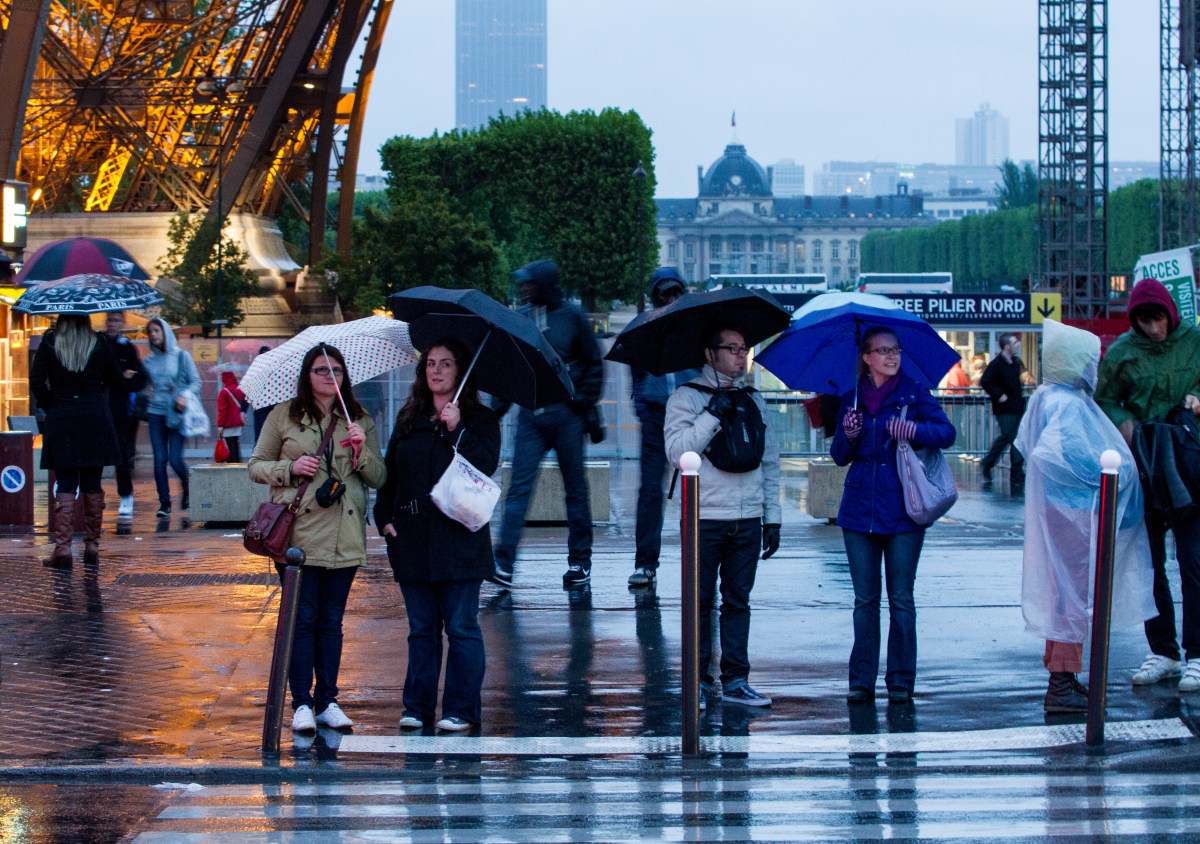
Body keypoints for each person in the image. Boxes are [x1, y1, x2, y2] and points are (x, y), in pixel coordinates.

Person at [1016, 319, 1155, 712]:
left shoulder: (1047, 396)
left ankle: (1064, 677)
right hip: (1074, 511)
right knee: (1072, 595)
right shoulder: (1066, 403)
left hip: (1060, 509)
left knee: (1065, 593)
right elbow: (1067, 457)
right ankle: (1061, 682)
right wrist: (1111, 469)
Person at [248, 344, 385, 732]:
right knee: (301, 620)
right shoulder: (284, 416)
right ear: (307, 375)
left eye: (337, 371)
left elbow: (379, 477)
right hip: (299, 536)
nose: (330, 377)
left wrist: (361, 451)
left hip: (344, 533)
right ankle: (302, 703)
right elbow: (256, 465)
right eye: (321, 370)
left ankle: (328, 700)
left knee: (331, 621)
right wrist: (290, 468)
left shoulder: (359, 419)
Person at [375, 337, 501, 732]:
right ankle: (416, 707)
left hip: (459, 537)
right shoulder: (409, 418)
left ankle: (462, 710)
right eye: (431, 363)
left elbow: (486, 465)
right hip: (412, 539)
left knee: (461, 627)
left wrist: (457, 429)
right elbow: (390, 474)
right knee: (421, 629)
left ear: (460, 371)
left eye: (446, 364)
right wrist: (382, 517)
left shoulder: (480, 419)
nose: (436, 370)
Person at [830, 326, 956, 703]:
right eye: (882, 350)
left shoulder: (913, 392)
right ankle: (861, 681)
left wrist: (914, 429)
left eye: (895, 349)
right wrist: (849, 436)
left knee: (901, 598)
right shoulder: (851, 398)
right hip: (857, 513)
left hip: (903, 510)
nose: (891, 356)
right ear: (866, 358)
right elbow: (839, 456)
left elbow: (946, 433)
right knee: (865, 601)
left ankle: (900, 680)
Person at [664, 323, 781, 709]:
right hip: (704, 515)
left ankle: (736, 680)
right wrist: (712, 414)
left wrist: (772, 517)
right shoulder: (686, 398)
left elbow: (770, 460)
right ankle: (696, 680)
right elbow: (679, 454)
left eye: (744, 348)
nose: (740, 356)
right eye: (730, 348)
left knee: (738, 602)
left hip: (747, 516)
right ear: (710, 353)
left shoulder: (754, 398)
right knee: (698, 601)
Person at [1095, 277, 1200, 692]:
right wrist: (1122, 419)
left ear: (1170, 315)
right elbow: (1103, 397)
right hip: (1145, 467)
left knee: (1193, 563)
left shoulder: (1195, 339)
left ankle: (1197, 652)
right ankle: (1164, 650)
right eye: (1144, 322)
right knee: (1150, 564)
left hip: (1190, 464)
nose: (1153, 329)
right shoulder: (1121, 352)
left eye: (1157, 320)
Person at [490, 259, 604, 588]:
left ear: (544, 284)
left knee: (576, 492)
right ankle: (504, 563)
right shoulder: (522, 319)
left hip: (567, 416)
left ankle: (580, 562)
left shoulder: (573, 317)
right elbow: (512, 368)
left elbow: (594, 362)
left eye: (530, 283)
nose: (524, 288)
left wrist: (582, 401)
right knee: (518, 491)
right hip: (532, 416)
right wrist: (498, 406)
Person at [30, 314, 126, 567]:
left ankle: (62, 548)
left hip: (62, 417)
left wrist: (51, 403)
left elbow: (36, 381)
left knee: (66, 483)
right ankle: (92, 546)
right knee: (92, 483)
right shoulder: (99, 343)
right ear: (86, 320)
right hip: (94, 417)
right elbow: (117, 381)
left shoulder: (51, 343)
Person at [628, 267, 695, 588]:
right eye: (664, 295)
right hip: (656, 417)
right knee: (651, 493)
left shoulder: (695, 328)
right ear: (656, 297)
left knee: (698, 493)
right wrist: (642, 410)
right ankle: (645, 563)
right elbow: (637, 378)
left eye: (674, 293)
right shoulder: (646, 329)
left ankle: (699, 561)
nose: (670, 299)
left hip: (691, 417)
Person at [142, 317, 199, 517]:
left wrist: (184, 396)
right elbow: (143, 386)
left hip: (176, 412)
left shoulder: (182, 356)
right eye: (150, 332)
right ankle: (164, 503)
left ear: (165, 331)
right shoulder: (148, 361)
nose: (153, 335)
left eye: (157, 330)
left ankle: (187, 487)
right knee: (159, 460)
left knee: (175, 459)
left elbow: (195, 382)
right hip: (155, 412)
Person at [102, 311, 147, 517]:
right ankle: (94, 495)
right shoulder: (98, 344)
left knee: (121, 455)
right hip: (100, 408)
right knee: (97, 454)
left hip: (120, 411)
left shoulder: (127, 348)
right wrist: (121, 377)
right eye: (110, 320)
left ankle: (126, 495)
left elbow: (139, 378)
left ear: (122, 323)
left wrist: (124, 381)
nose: (112, 324)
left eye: (116, 320)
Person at [979, 333, 1027, 489]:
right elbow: (985, 381)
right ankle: (990, 463)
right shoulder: (997, 364)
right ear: (1007, 346)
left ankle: (1016, 472)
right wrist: (999, 395)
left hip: (1017, 406)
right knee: (1009, 436)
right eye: (1014, 343)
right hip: (1005, 409)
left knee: (1015, 439)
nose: (1017, 345)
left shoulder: (1015, 362)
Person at [216, 370, 248, 462]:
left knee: (229, 445)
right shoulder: (240, 389)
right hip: (238, 421)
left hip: (228, 423)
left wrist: (220, 425)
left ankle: (232, 464)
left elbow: (222, 410)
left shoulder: (224, 392)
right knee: (235, 442)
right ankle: (238, 462)